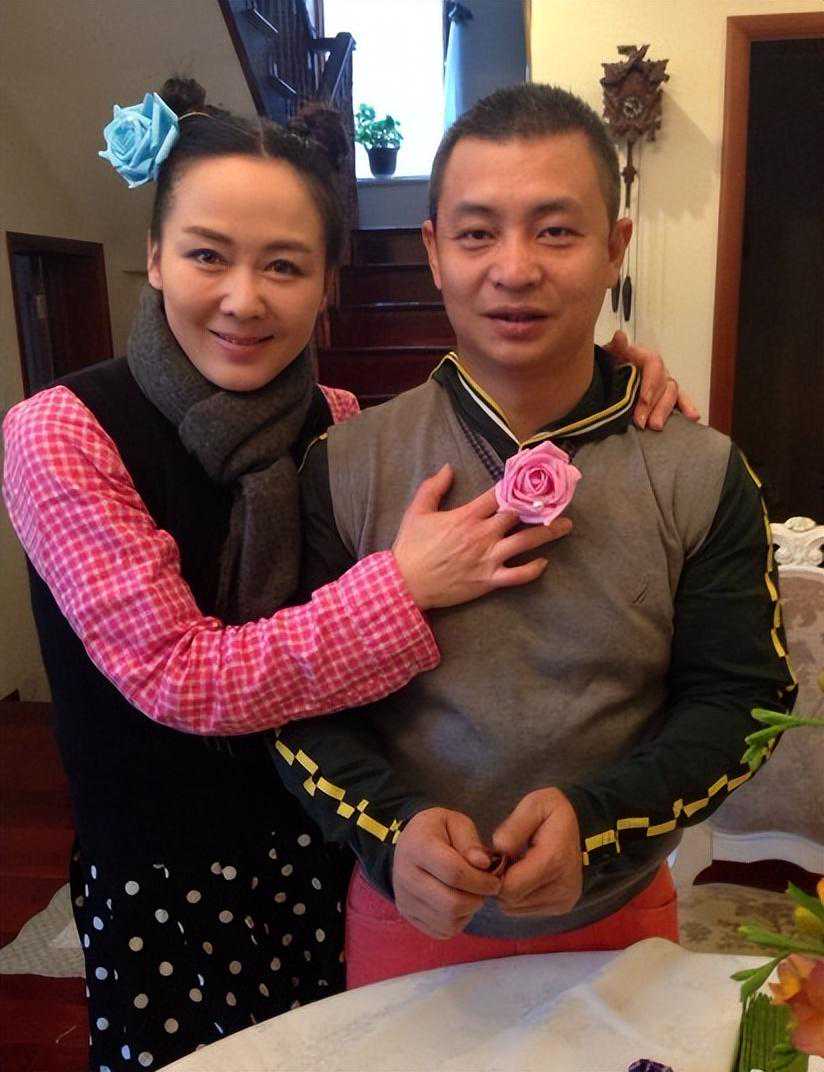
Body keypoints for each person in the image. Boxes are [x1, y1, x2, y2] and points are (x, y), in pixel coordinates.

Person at [2, 78, 687, 1068]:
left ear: (329, 281)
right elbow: (179, 676)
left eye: (284, 265)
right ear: (153, 257)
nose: (244, 299)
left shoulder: (340, 421)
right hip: (168, 878)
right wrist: (402, 587)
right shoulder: (63, 432)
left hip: (338, 851)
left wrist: (608, 383)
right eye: (206, 255)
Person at [271, 83, 797, 990]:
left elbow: (741, 703)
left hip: (619, 914)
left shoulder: (700, 469)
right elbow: (297, 701)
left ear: (614, 248)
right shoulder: (345, 463)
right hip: (406, 918)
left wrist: (599, 824)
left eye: (556, 231)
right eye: (477, 234)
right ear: (433, 252)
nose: (514, 270)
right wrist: (392, 827)